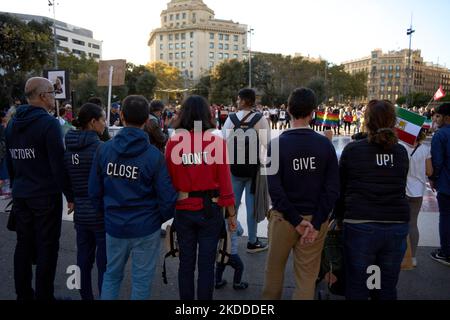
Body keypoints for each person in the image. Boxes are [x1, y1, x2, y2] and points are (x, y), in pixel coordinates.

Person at [89, 95, 177, 300]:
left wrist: (107, 215)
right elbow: (167, 199)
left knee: (111, 276)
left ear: (121, 116)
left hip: (115, 226)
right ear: (147, 120)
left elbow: (94, 191)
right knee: (141, 282)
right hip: (145, 227)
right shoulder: (154, 156)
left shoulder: (104, 149)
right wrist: (155, 220)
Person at [262, 88, 339, 300]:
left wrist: (295, 220)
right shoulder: (325, 144)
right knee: (306, 277)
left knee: (274, 272)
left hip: (284, 218)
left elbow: (274, 190)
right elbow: (332, 189)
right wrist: (315, 223)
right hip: (315, 218)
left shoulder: (275, 145)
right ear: (313, 113)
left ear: (288, 110)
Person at [5, 77, 74, 300]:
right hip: (44, 196)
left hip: (22, 193)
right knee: (47, 247)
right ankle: (45, 296)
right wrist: (70, 195)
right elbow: (58, 164)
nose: (54, 98)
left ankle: (23, 294)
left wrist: (17, 188)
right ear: (43, 96)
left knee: (23, 245)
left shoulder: (12, 123)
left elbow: (11, 161)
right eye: (53, 94)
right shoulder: (49, 124)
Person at [335, 99, 410, 300]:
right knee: (385, 286)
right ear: (393, 121)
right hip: (395, 224)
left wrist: (339, 218)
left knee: (358, 285)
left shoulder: (353, 150)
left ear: (366, 121)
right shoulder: (401, 152)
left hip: (360, 223)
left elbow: (340, 189)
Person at [165, 95, 237, 300]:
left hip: (183, 209)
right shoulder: (215, 141)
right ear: (207, 114)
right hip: (210, 210)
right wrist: (231, 214)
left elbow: (168, 178)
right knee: (206, 266)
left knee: (185, 264)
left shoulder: (174, 142)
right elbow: (225, 182)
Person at [64, 103, 107, 300]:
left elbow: (64, 176)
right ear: (93, 122)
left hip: (80, 212)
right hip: (100, 212)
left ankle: (86, 296)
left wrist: (71, 198)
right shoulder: (101, 149)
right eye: (103, 119)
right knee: (103, 263)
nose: (105, 124)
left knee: (83, 259)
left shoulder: (69, 146)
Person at [222, 88, 271, 253]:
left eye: (238, 99)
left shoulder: (230, 119)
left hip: (233, 168)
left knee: (232, 205)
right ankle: (252, 241)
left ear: (243, 100)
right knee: (252, 207)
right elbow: (267, 144)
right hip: (253, 170)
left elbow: (224, 142)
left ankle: (233, 237)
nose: (237, 101)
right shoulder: (260, 119)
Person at [400, 129, 433, 267]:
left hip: (402, 190)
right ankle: (412, 257)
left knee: (400, 224)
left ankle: (400, 257)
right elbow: (429, 171)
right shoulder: (425, 148)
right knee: (413, 223)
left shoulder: (400, 146)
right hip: (418, 191)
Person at [429, 103, 450, 266]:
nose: (435, 119)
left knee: (446, 217)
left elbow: (437, 161)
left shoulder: (440, 135)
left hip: (446, 183)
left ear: (446, 118)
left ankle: (446, 252)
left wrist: (433, 179)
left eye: (438, 116)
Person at [215, 220, 248, 290]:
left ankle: (218, 282)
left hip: (221, 251)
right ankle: (237, 283)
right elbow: (240, 232)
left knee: (220, 266)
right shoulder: (235, 222)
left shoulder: (218, 221)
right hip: (231, 253)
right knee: (239, 266)